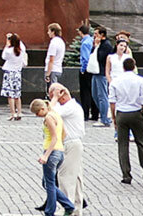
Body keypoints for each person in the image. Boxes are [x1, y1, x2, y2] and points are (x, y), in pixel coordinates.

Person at [108, 55, 143, 186]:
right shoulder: (140, 80)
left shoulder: (116, 81)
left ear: (123, 67)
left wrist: (114, 118)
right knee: (141, 143)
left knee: (123, 145)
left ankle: (126, 175)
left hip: (122, 113)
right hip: (136, 112)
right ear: (134, 66)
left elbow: (112, 102)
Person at [30, 98, 76, 215]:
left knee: (49, 184)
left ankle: (51, 210)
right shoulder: (56, 114)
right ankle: (67, 204)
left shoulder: (48, 118)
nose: (37, 116)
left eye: (37, 113)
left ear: (42, 109)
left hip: (52, 152)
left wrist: (46, 155)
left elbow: (54, 137)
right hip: (59, 151)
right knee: (47, 182)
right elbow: (63, 133)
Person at [48, 83, 86, 212]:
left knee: (65, 177)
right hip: (73, 144)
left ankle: (66, 208)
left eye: (52, 96)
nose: (51, 99)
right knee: (76, 178)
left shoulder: (70, 107)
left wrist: (54, 98)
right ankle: (76, 208)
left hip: (70, 144)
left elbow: (50, 113)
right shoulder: (69, 106)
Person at [90, 27, 114, 128]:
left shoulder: (106, 45)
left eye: (96, 34)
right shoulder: (99, 44)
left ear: (102, 35)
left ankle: (105, 119)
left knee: (102, 96)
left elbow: (100, 58)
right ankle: (104, 115)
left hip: (102, 73)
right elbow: (92, 54)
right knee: (95, 94)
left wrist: (96, 46)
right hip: (96, 72)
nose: (94, 36)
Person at [0, 33, 27, 119]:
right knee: (17, 94)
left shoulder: (9, 51)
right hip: (17, 73)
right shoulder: (21, 50)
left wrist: (7, 44)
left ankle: (13, 113)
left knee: (10, 94)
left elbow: (3, 56)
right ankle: (19, 112)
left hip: (9, 73)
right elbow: (21, 44)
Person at [76, 24, 97, 121]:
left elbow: (85, 58)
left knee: (85, 93)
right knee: (92, 91)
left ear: (80, 32)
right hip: (93, 69)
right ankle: (94, 113)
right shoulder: (92, 40)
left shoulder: (84, 43)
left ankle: (85, 114)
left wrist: (83, 70)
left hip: (87, 70)